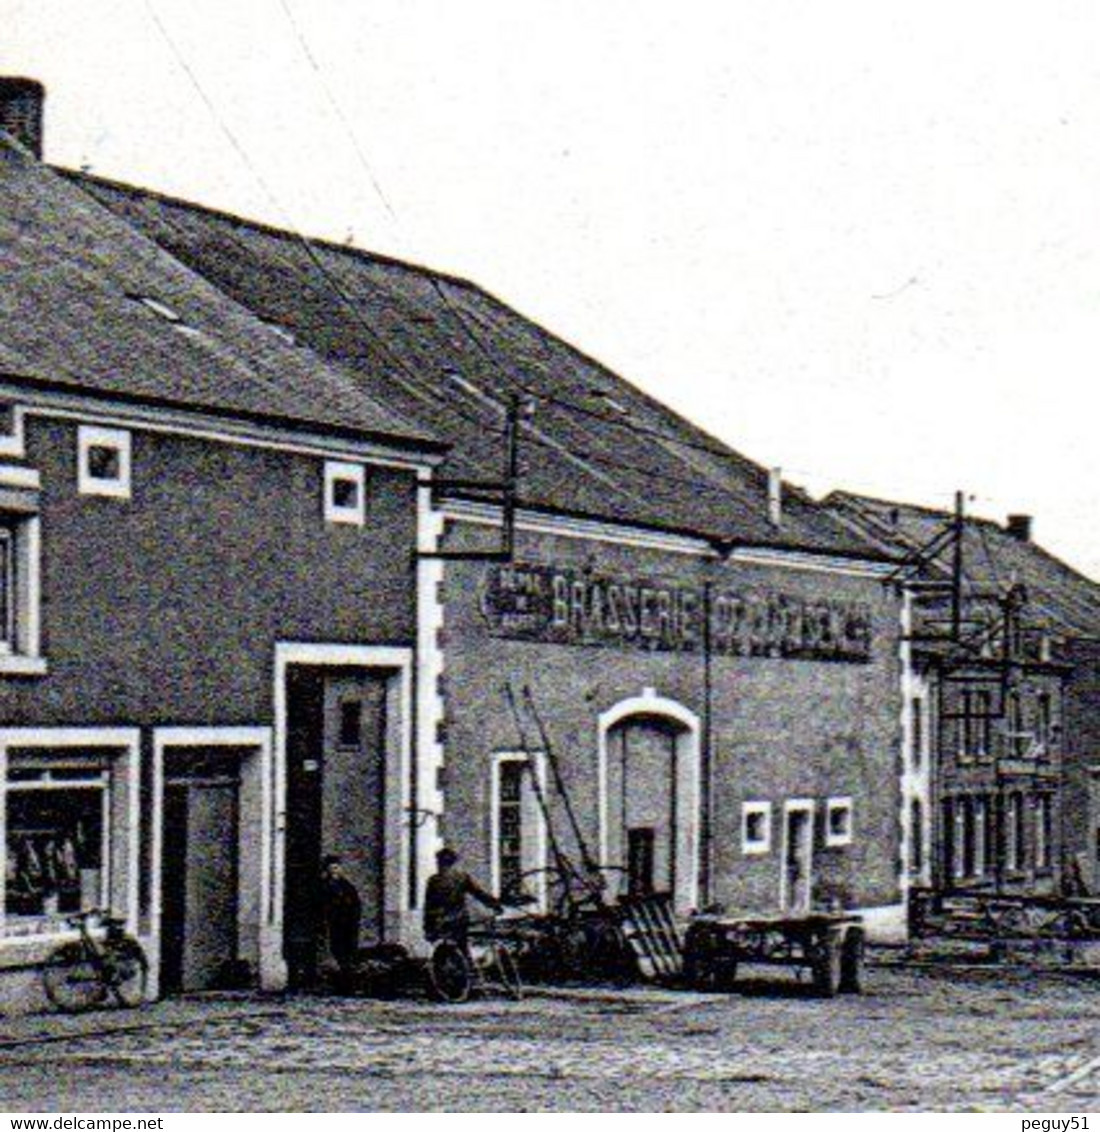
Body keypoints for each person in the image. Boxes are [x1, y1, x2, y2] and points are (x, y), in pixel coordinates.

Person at [423, 847, 503, 949]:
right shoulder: (462, 877)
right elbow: (479, 893)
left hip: (439, 922)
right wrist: (496, 905)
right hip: (459, 920)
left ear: (439, 862)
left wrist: (427, 928)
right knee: (462, 949)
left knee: (442, 951)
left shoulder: (433, 880)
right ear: (453, 862)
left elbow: (428, 906)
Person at [320, 854, 362, 973]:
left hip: (348, 921)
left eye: (337, 867)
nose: (335, 871)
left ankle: (349, 967)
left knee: (349, 944)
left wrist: (353, 915)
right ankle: (340, 966)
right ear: (327, 869)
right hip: (333, 920)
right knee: (336, 944)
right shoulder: (324, 885)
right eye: (332, 868)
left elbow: (356, 903)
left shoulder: (347, 885)